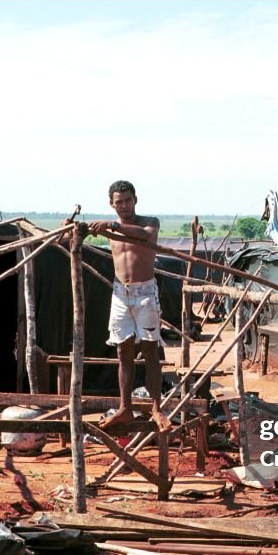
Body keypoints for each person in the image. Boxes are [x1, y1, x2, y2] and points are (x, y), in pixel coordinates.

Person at [85, 180, 172, 433]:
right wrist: (73, 228)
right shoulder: (108, 228)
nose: (123, 205)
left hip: (145, 292)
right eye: (118, 201)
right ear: (111, 204)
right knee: (123, 351)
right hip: (120, 293)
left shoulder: (149, 223)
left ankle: (156, 408)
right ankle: (125, 408)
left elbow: (145, 236)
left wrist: (112, 226)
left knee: (150, 349)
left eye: (127, 200)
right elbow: (77, 232)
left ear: (135, 200)